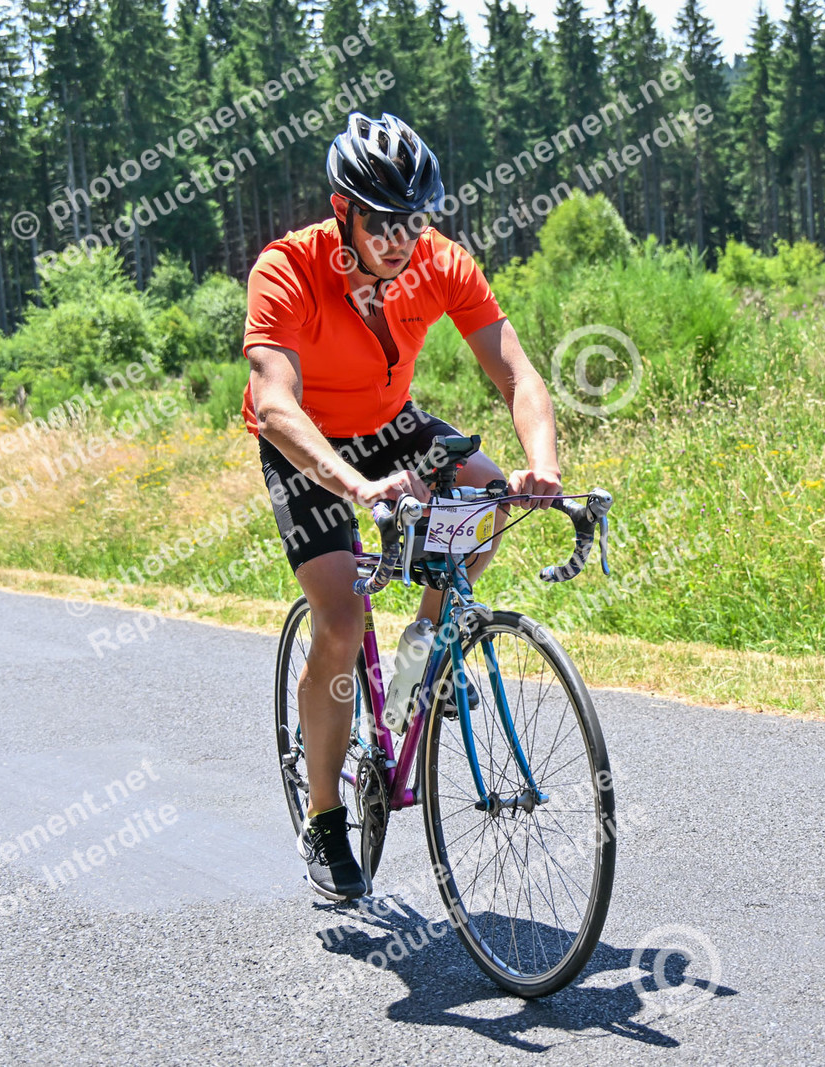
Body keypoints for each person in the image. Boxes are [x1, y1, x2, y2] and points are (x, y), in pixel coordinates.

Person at [242, 112, 563, 901]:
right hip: (307, 443)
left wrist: (544, 466)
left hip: (389, 425)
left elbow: (518, 374)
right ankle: (324, 815)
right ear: (342, 209)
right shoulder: (287, 269)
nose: (400, 239)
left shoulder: (441, 262)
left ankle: (424, 654)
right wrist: (356, 487)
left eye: (414, 220)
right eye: (382, 221)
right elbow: (275, 403)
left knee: (486, 498)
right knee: (342, 619)